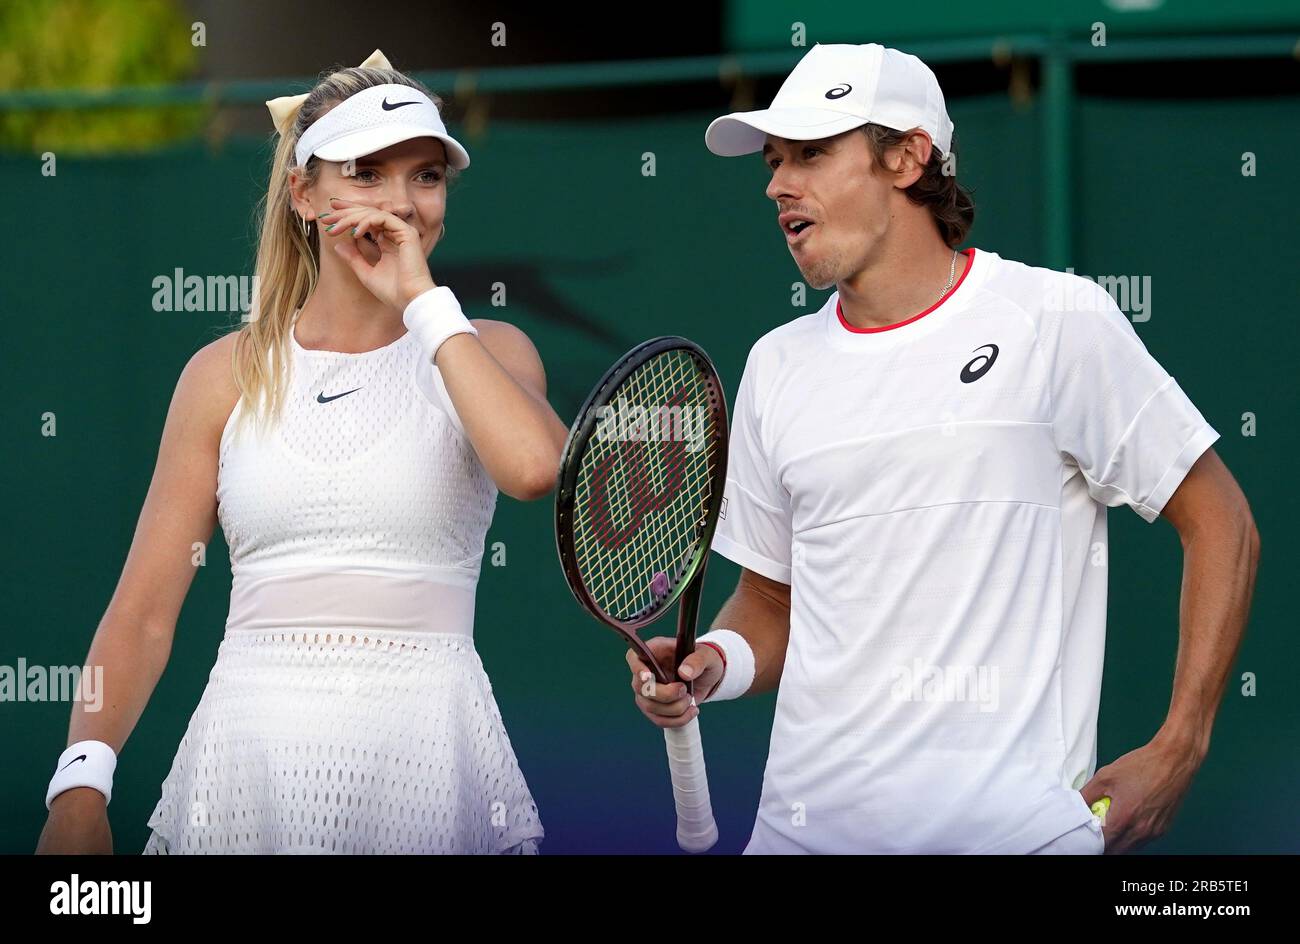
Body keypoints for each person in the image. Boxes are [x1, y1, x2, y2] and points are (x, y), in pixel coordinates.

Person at [626, 42, 1259, 854]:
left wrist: (1181, 745)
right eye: (776, 161)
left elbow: (1222, 521)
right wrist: (715, 658)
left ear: (907, 155)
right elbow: (774, 603)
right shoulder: (775, 364)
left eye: (813, 153)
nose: (779, 182)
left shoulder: (1056, 320)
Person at [37, 49, 567, 854]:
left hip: (426, 767)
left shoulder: (489, 348)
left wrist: (423, 304)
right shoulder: (221, 375)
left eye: (426, 177)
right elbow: (143, 612)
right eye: (366, 172)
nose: (400, 203)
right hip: (243, 776)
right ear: (304, 195)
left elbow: (534, 468)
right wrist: (80, 783)